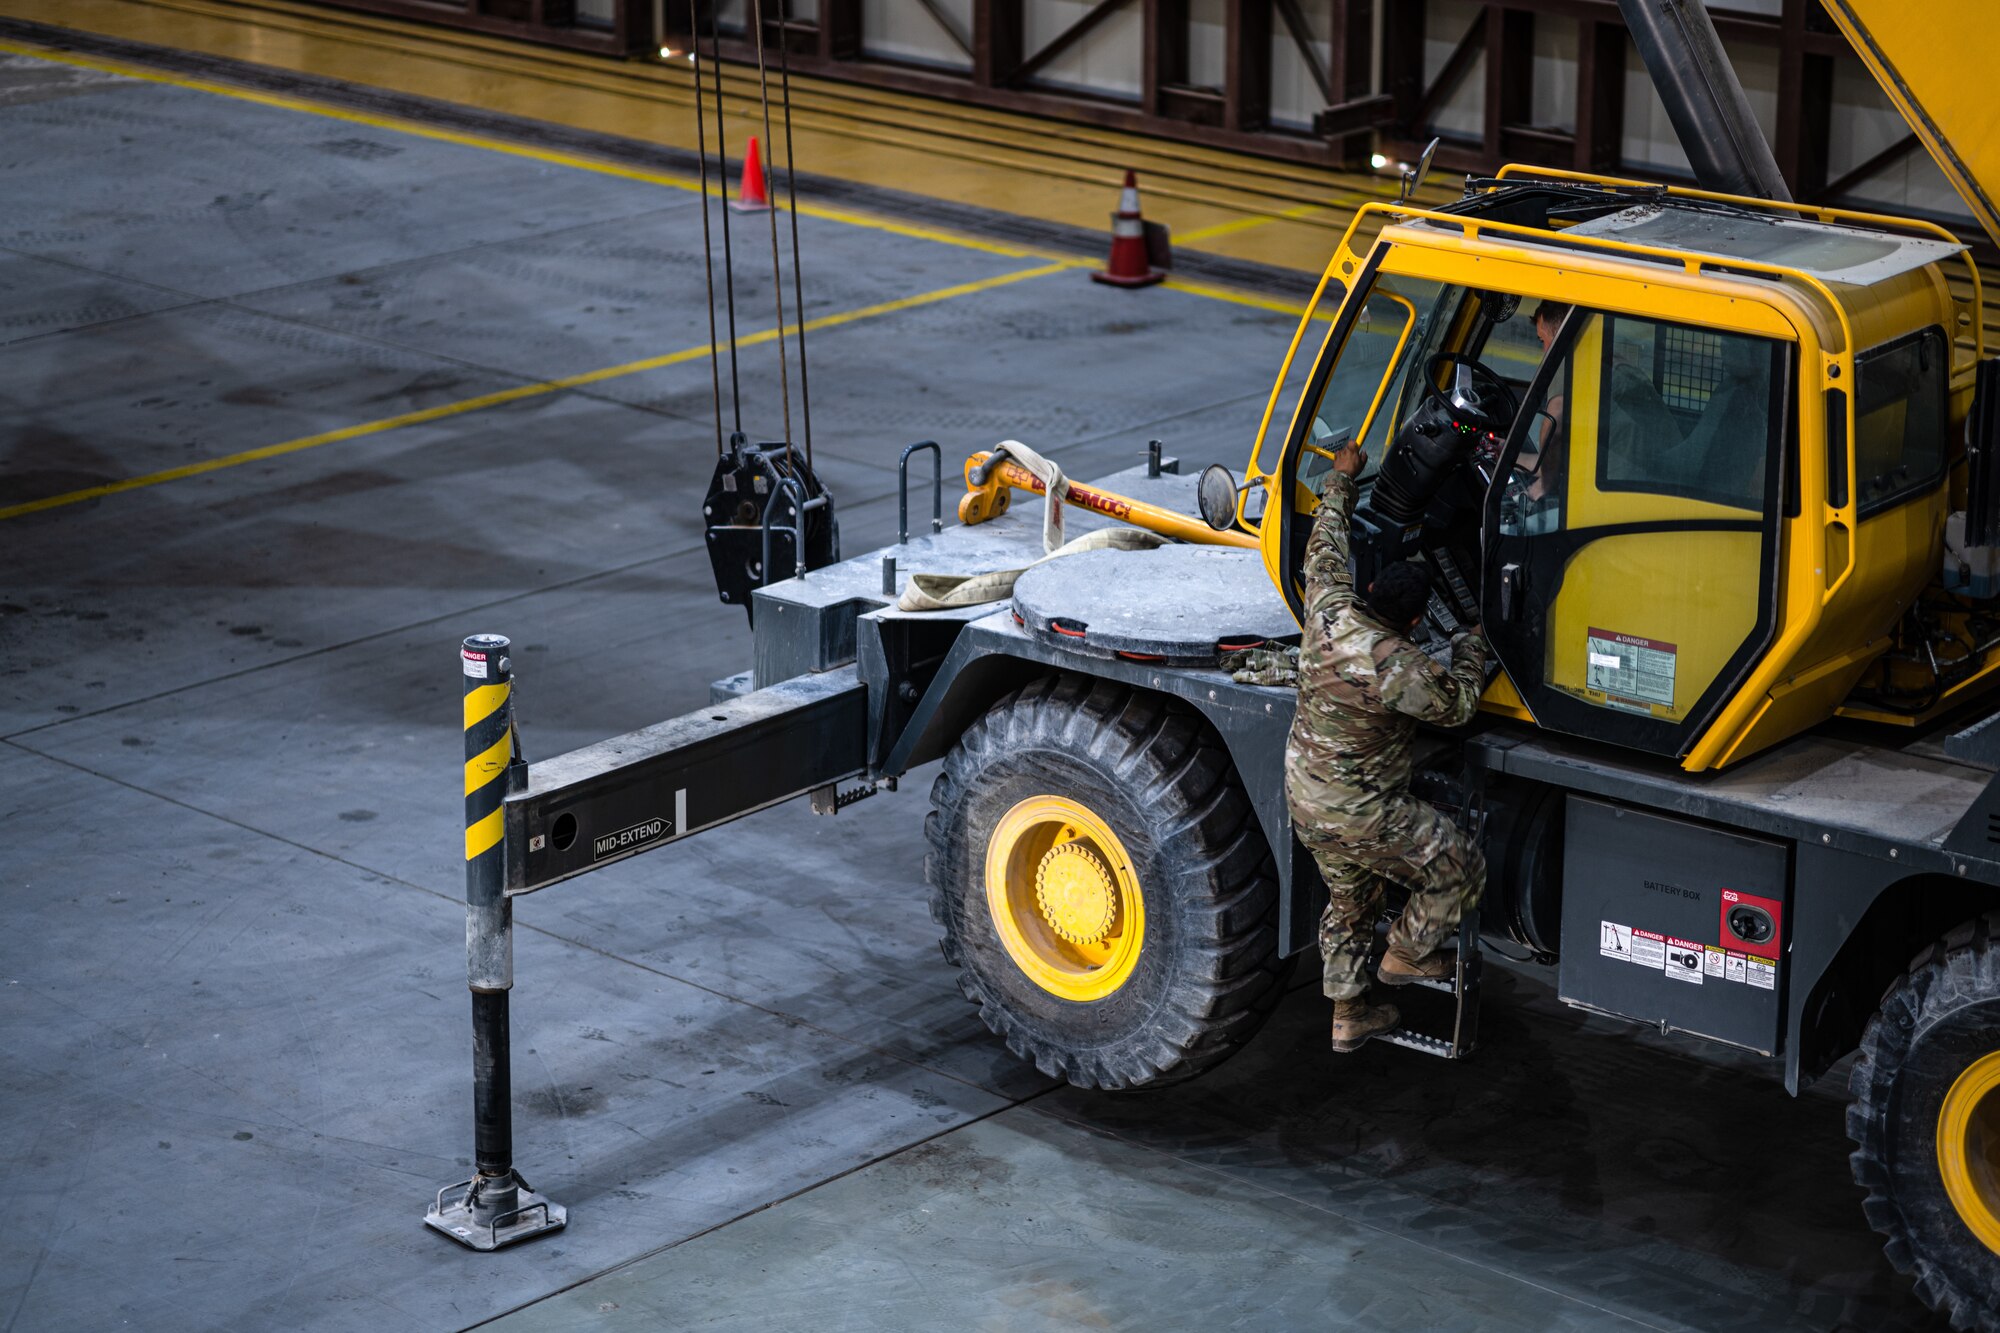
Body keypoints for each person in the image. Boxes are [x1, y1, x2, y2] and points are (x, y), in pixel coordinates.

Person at [1288, 442, 1490, 1053]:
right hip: (1361, 810)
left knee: (1349, 898)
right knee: (1460, 866)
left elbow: (1323, 548)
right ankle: (1405, 955)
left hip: (1306, 799)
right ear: (1409, 626)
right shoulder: (1400, 667)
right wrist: (1469, 644)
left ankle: (1348, 1013)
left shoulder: (1326, 609)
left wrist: (1341, 484)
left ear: (1369, 588)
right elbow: (1457, 704)